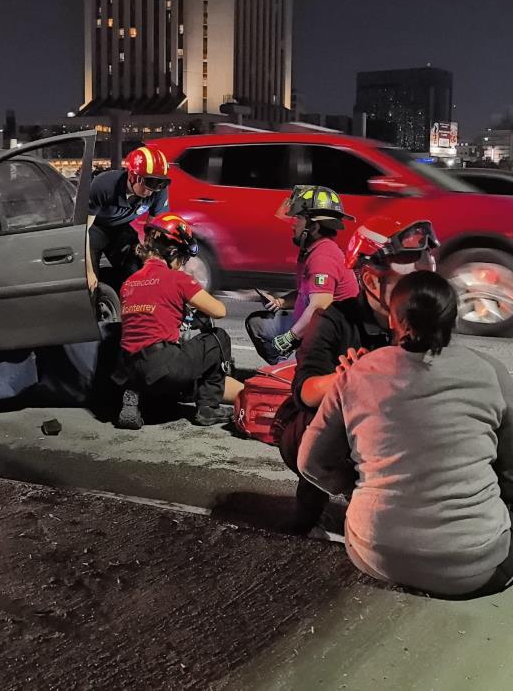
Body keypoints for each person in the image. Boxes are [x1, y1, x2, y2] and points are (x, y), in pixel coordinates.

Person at [299, 270, 513, 598]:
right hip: (472, 565)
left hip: (375, 555)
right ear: (453, 319)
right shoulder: (489, 371)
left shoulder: (357, 373)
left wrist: (356, 486)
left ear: (392, 320)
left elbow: (311, 462)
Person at [274, 215, 439, 534]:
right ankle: (311, 513)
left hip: (400, 439)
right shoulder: (336, 320)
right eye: (413, 284)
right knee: (321, 421)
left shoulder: (427, 325)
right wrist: (352, 379)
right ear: (372, 281)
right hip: (338, 433)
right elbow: (305, 390)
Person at [113, 213, 236, 430]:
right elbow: (219, 310)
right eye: (183, 259)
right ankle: (208, 408)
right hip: (164, 365)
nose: (182, 265)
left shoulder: (129, 283)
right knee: (217, 338)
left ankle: (136, 395)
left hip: (129, 369)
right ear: (172, 253)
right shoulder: (178, 279)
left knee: (159, 364)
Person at [246, 185, 360, 364]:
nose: (293, 224)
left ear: (313, 227)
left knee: (290, 374)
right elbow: (305, 294)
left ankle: (295, 373)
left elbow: (318, 308)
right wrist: (280, 302)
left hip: (326, 341)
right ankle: (287, 364)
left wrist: (288, 339)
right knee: (257, 324)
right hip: (310, 329)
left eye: (298, 218)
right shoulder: (312, 251)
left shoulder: (323, 256)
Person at [87, 146, 172, 290]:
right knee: (90, 283)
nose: (152, 190)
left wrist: (154, 261)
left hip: (121, 228)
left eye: (160, 183)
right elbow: (83, 230)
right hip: (95, 228)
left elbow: (154, 231)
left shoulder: (158, 191)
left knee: (137, 274)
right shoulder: (103, 186)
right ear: (132, 176)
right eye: (149, 182)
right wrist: (89, 272)